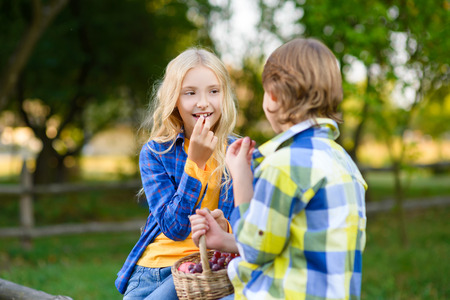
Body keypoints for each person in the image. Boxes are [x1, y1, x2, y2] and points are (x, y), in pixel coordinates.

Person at [190, 38, 368, 300]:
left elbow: (254, 250)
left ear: (272, 96)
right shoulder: (344, 163)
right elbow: (278, 241)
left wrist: (241, 177)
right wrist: (226, 240)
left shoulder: (283, 165)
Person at [115, 47, 238, 299]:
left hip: (206, 269)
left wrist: (225, 226)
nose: (203, 102)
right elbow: (175, 227)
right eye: (190, 93)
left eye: (213, 91)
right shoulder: (156, 153)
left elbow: (252, 225)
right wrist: (195, 163)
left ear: (224, 96)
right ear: (175, 101)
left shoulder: (239, 152)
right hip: (153, 270)